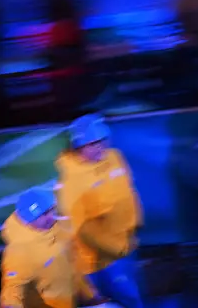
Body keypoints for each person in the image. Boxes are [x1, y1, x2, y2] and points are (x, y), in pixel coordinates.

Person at [55, 114, 145, 308]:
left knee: (134, 299)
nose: (101, 147)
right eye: (93, 143)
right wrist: (113, 250)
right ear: (78, 146)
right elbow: (80, 229)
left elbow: (129, 192)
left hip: (125, 246)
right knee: (117, 300)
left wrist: (134, 226)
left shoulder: (115, 157)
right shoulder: (71, 181)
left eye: (103, 140)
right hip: (96, 261)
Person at [0, 187, 99, 308]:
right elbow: (13, 288)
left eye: (51, 210)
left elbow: (73, 260)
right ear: (27, 220)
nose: (52, 217)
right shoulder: (19, 252)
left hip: (78, 290)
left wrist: (90, 295)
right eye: (44, 214)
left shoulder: (59, 225)